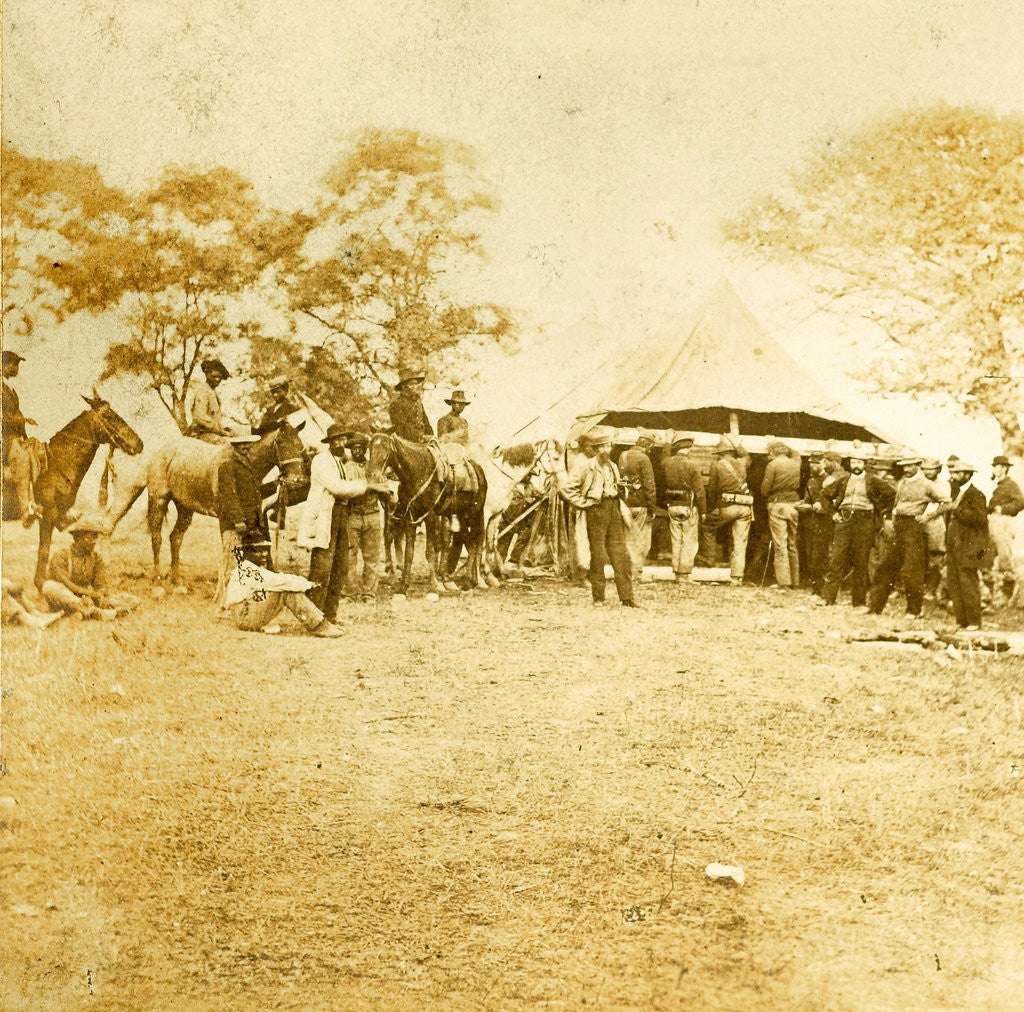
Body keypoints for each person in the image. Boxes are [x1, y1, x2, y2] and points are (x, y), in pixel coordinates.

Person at [298, 423, 389, 621]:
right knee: (322, 568)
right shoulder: (322, 461)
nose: (341, 443)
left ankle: (330, 615)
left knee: (340, 567)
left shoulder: (339, 461)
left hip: (339, 516)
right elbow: (337, 487)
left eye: (343, 439)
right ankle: (314, 616)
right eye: (336, 440)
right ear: (329, 442)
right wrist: (367, 485)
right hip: (325, 517)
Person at [561, 427, 636, 607]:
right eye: (602, 447)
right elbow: (566, 488)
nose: (606, 450)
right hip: (596, 510)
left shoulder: (614, 467)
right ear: (595, 450)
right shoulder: (586, 466)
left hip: (613, 509)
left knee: (621, 554)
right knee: (598, 554)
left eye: (608, 446)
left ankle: (627, 598)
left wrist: (624, 488)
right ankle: (599, 598)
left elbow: (616, 487)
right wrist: (584, 502)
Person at [868, 454, 950, 617]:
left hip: (914, 527)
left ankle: (913, 610)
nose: (906, 469)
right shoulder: (902, 482)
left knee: (913, 570)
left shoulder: (927, 484)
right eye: (904, 466)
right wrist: (892, 520)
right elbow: (896, 504)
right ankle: (875, 607)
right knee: (886, 566)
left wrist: (928, 516)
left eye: (910, 466)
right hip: (899, 525)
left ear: (918, 465)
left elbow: (946, 502)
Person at [820, 454, 895, 609]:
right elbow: (824, 495)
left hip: (865, 521)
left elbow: (892, 495)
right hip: (844, 520)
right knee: (837, 558)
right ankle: (828, 598)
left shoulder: (873, 480)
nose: (856, 464)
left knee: (861, 561)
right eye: (854, 461)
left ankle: (859, 602)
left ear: (864, 464)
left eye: (859, 462)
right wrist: (833, 513)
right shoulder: (843, 480)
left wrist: (881, 511)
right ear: (850, 464)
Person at [223, 543, 343, 637]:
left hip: (246, 613)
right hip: (245, 616)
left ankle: (320, 622)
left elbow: (279, 578)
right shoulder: (248, 570)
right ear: (247, 553)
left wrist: (305, 584)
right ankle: (318, 625)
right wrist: (308, 585)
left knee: (286, 588)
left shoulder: (251, 568)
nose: (264, 554)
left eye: (265, 550)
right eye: (258, 551)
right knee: (286, 591)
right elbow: (280, 581)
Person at [40, 517, 139, 620]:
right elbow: (66, 584)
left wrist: (100, 596)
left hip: (86, 598)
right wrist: (88, 594)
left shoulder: (96, 558)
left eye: (95, 537)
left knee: (132, 600)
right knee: (48, 587)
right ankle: (96, 612)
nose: (94, 541)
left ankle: (83, 612)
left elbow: (100, 585)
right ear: (78, 538)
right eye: (91, 537)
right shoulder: (62, 556)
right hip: (67, 597)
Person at [214, 428, 268, 607]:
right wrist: (238, 520)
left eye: (247, 444)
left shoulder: (248, 465)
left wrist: (277, 485)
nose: (245, 447)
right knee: (233, 563)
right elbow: (228, 496)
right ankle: (226, 605)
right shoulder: (227, 465)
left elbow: (254, 494)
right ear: (235, 445)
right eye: (240, 444)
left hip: (250, 525)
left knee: (246, 565)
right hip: (235, 526)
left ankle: (242, 604)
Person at [698, 438, 752, 583]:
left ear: (721, 453)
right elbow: (747, 456)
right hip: (746, 507)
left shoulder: (717, 465)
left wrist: (710, 508)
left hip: (727, 506)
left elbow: (713, 489)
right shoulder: (743, 463)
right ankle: (737, 577)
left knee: (707, 526)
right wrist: (737, 443)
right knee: (740, 541)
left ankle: (709, 558)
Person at [945, 461, 989, 630]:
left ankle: (974, 622)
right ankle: (961, 620)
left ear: (967, 475)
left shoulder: (976, 494)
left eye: (958, 473)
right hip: (954, 546)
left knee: (968, 583)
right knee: (955, 583)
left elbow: (979, 518)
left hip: (968, 547)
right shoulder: (956, 493)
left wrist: (957, 511)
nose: (954, 476)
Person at [343, 432, 386, 601]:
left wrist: (383, 489)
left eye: (361, 448)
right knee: (349, 556)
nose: (358, 451)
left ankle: (369, 592)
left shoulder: (373, 467)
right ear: (351, 450)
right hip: (353, 514)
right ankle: (350, 592)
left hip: (372, 514)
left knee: (372, 556)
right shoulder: (346, 467)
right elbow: (347, 490)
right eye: (354, 448)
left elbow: (384, 489)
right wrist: (368, 486)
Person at [661, 434, 706, 580]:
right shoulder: (693, 465)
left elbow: (664, 455)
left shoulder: (667, 462)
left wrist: (668, 442)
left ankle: (676, 572)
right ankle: (684, 575)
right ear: (689, 448)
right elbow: (699, 491)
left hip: (673, 506)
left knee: (676, 540)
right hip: (689, 507)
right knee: (689, 541)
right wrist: (703, 510)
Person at [2, 348, 39, 522]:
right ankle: (25, 509)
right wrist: (22, 421)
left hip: (14, 439)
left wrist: (25, 436)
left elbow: (17, 415)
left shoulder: (10, 389)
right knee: (24, 459)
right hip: (4, 440)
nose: (16, 368)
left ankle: (40, 504)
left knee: (37, 452)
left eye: (17, 364)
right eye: (13, 364)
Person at [618, 429, 659, 579]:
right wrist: (652, 507)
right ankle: (636, 572)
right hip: (641, 503)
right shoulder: (644, 459)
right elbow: (650, 486)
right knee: (641, 538)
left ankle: (626, 571)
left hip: (625, 502)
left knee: (627, 537)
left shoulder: (623, 455)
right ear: (648, 445)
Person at [761, 440, 802, 590]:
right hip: (794, 506)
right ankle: (796, 581)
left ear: (773, 452)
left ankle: (784, 582)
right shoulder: (796, 462)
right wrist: (782, 444)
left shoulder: (772, 465)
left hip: (778, 505)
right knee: (793, 544)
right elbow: (796, 452)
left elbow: (765, 489)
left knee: (780, 544)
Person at [988, 454, 1024, 603]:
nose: (995, 469)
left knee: (1005, 558)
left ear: (1004, 469)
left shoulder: (1010, 484)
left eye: (997, 467)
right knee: (989, 556)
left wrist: (1003, 509)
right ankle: (993, 593)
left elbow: (1021, 502)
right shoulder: (999, 485)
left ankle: (1007, 594)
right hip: (994, 522)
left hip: (1004, 523)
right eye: (994, 466)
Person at [800, 451, 835, 597]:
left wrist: (814, 507)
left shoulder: (829, 481)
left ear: (824, 463)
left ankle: (821, 589)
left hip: (823, 521)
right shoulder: (810, 480)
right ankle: (815, 587)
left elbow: (831, 503)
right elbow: (808, 500)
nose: (813, 465)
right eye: (811, 463)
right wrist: (802, 504)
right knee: (810, 554)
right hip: (810, 521)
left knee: (820, 555)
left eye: (817, 463)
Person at [920, 458, 950, 600]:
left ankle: (931, 590)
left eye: (931, 469)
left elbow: (944, 504)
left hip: (935, 523)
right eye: (925, 468)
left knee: (936, 556)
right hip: (918, 522)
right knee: (917, 555)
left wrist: (930, 516)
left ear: (938, 470)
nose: (927, 472)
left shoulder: (943, 485)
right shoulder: (919, 482)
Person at [186, 358, 232, 442]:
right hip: (200, 435)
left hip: (212, 433)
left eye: (220, 377)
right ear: (207, 375)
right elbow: (200, 418)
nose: (217, 379)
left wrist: (223, 429)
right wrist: (221, 431)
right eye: (214, 376)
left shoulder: (213, 392)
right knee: (224, 446)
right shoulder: (203, 391)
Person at [388, 367, 433, 442]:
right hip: (407, 441)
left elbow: (425, 420)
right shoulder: (396, 404)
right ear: (404, 386)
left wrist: (431, 436)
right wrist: (417, 436)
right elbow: (400, 427)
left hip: (422, 437)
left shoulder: (417, 401)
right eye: (411, 384)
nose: (415, 387)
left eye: (416, 384)